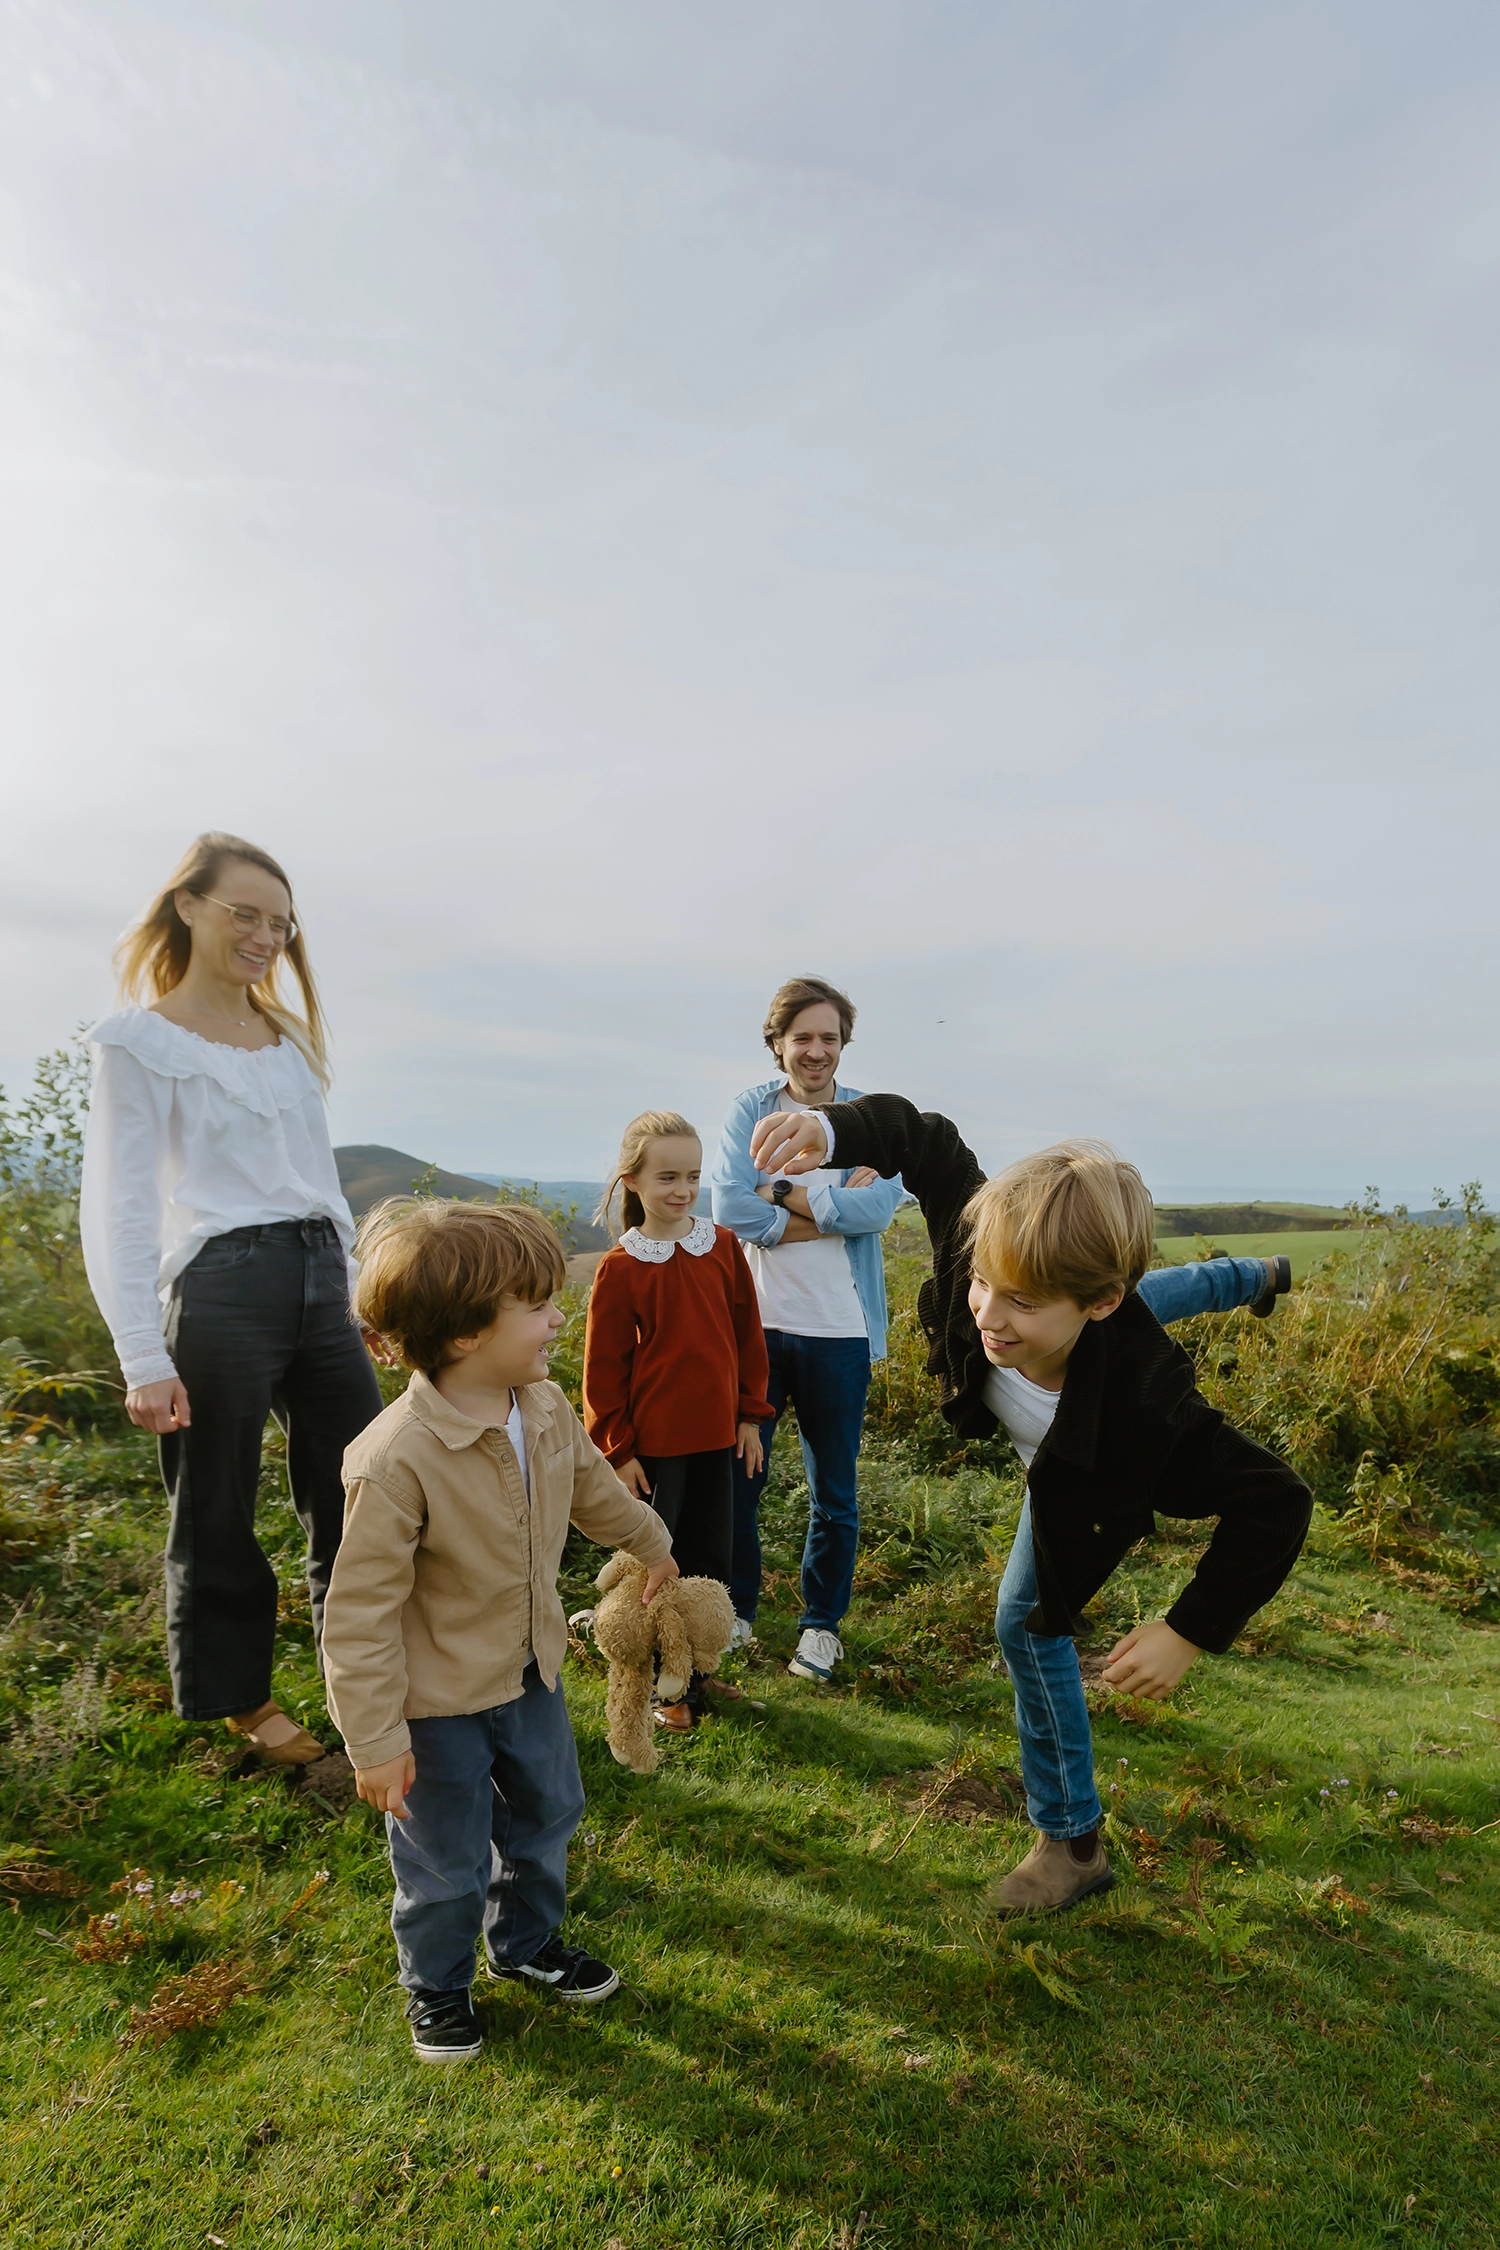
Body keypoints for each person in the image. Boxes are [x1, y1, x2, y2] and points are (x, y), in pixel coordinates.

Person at [750, 1099, 1311, 1917]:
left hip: (1082, 1485)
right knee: (1165, 1290)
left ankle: (1071, 1846)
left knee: (1026, 1625)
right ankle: (1258, 1273)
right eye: (981, 1285)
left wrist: (1189, 1629)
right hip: (1110, 1313)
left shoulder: (1151, 1414)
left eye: (1019, 1302)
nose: (986, 1315)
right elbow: (929, 1144)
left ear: (1096, 1302)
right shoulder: (989, 1249)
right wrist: (831, 1130)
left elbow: (1278, 1502)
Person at [323, 1197, 679, 2064]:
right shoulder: (395, 1456)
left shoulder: (545, 1405)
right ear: (461, 1338)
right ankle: (437, 1989)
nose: (561, 1315)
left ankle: (523, 1947)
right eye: (536, 1304)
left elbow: (594, 1487)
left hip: (531, 1674)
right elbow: (359, 1613)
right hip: (437, 1704)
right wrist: (373, 1742)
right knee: (444, 1859)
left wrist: (649, 1541)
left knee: (549, 1812)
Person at [79, 832, 381, 1765]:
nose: (264, 936)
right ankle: (242, 1702)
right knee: (215, 1504)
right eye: (244, 912)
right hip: (221, 1287)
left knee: (362, 1484)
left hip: (319, 1281)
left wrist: (358, 1287)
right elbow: (120, 1205)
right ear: (189, 907)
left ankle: (363, 1680)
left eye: (281, 925)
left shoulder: (287, 1039)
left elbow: (316, 1180)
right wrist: (142, 1353)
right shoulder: (138, 1043)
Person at [708, 976, 908, 1686]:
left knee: (836, 1494)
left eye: (828, 1038)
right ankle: (734, 1612)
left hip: (841, 1332)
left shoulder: (868, 1118)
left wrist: (782, 1193)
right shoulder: (750, 1111)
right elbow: (731, 1206)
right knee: (741, 1482)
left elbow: (881, 1210)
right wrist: (827, 1198)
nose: (815, 1051)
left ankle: (820, 1629)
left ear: (842, 1044)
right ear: (777, 1045)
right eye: (802, 1039)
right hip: (759, 1331)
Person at [582, 1111, 771, 1733]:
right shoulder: (620, 1267)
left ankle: (699, 1669)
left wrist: (750, 1414)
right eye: (667, 1177)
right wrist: (618, 1449)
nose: (682, 1189)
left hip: (717, 1437)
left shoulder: (719, 1246)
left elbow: (746, 1336)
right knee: (660, 1565)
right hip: (656, 1449)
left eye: (692, 1176)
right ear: (632, 1181)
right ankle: (666, 1685)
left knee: (710, 1563)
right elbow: (602, 1370)